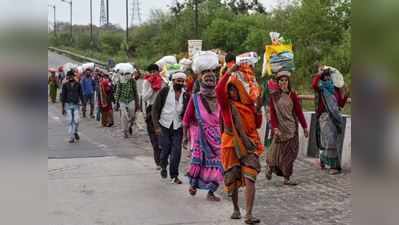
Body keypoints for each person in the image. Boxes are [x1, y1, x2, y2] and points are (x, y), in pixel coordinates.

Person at [216, 63, 263, 225]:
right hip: (230, 145)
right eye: (229, 90)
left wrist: (258, 110)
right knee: (233, 179)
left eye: (234, 89)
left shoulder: (248, 106)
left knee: (251, 176)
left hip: (250, 144)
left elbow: (257, 124)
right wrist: (229, 72)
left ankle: (249, 214)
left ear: (240, 90)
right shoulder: (226, 106)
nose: (231, 92)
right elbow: (218, 90)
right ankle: (236, 208)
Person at [183, 69, 224, 201]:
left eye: (212, 78)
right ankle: (193, 184)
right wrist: (185, 136)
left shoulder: (220, 98)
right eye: (207, 78)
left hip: (217, 137)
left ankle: (211, 192)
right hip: (199, 136)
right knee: (199, 162)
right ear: (201, 81)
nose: (210, 80)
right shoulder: (195, 98)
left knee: (219, 164)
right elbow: (187, 118)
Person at [266, 70, 309, 185]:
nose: (283, 83)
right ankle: (271, 169)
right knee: (276, 152)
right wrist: (275, 128)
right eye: (281, 80)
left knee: (290, 154)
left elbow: (299, 112)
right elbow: (273, 113)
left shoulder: (292, 95)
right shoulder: (274, 96)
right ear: (278, 82)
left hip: (291, 128)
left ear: (288, 82)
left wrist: (304, 127)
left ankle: (286, 177)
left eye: (285, 80)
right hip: (280, 129)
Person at [152, 72, 190, 184]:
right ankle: (163, 166)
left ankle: (174, 175)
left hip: (178, 127)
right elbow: (155, 109)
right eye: (178, 81)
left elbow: (187, 112)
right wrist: (156, 126)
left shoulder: (186, 95)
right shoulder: (165, 91)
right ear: (173, 81)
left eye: (182, 81)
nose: (180, 83)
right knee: (165, 150)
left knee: (176, 152)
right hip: (164, 126)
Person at [312, 68, 349, 175]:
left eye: (329, 76)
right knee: (327, 141)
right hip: (324, 117)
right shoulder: (321, 87)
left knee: (331, 141)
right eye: (326, 76)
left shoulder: (335, 89)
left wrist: (345, 94)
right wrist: (319, 74)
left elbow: (340, 104)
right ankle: (329, 163)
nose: (328, 78)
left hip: (334, 118)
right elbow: (314, 84)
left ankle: (331, 164)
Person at [142, 64, 165, 170]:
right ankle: (158, 161)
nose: (152, 74)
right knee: (154, 137)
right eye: (150, 72)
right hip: (151, 110)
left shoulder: (163, 82)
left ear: (158, 72)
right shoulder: (146, 82)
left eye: (154, 71)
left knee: (163, 136)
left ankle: (164, 158)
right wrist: (152, 88)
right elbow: (144, 98)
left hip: (162, 110)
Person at [114, 68, 139, 138]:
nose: (128, 75)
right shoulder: (120, 81)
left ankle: (130, 126)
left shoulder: (133, 81)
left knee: (132, 116)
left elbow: (135, 92)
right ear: (124, 74)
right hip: (122, 100)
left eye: (129, 73)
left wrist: (138, 103)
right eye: (126, 74)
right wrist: (116, 103)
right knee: (124, 115)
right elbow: (118, 92)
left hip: (131, 99)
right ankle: (125, 131)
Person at [61, 70, 84, 143]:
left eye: (72, 76)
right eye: (69, 76)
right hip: (68, 105)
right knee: (70, 121)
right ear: (67, 77)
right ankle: (71, 138)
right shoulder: (65, 85)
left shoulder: (78, 84)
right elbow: (63, 97)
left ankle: (75, 131)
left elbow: (81, 94)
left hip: (76, 105)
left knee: (76, 121)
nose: (70, 77)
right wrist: (63, 108)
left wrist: (83, 104)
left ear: (74, 76)